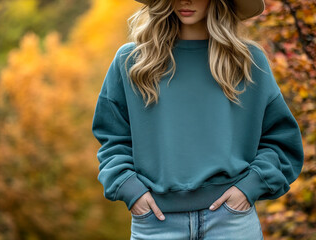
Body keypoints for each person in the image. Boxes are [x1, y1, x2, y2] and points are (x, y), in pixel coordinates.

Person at [91, 0, 304, 239]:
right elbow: (112, 138)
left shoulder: (248, 61)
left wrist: (249, 188)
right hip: (156, 222)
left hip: (231, 222)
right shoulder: (132, 61)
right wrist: (130, 189)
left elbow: (281, 140)